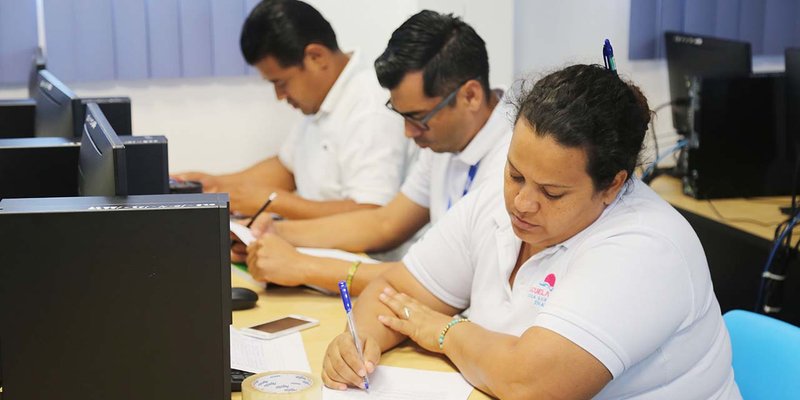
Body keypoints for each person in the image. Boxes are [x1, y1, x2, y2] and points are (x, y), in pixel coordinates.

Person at [321, 64, 742, 399]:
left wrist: (447, 331)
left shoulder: (647, 248)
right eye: (515, 173)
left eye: (552, 193)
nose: (522, 203)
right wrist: (360, 342)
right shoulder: (498, 198)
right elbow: (397, 290)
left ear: (613, 185)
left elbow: (533, 385)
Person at [241, 10, 512, 294]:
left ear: (470, 96)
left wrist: (302, 266)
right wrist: (276, 233)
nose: (409, 132)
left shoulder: (511, 164)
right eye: (401, 115)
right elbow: (385, 223)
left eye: (418, 117)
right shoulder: (445, 138)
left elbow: (437, 280)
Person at [175, 0, 412, 219]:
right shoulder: (323, 99)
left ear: (316, 57)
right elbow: (288, 168)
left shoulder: (371, 105)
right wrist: (217, 186)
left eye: (281, 83)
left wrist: (273, 202)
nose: (279, 96)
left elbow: (370, 212)